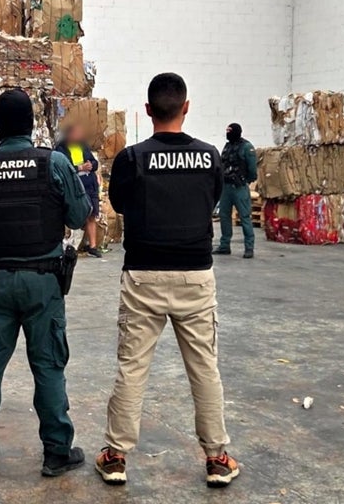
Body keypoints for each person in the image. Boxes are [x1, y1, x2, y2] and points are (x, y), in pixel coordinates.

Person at [96, 73, 240, 488]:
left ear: (147, 111)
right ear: (186, 107)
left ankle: (116, 455)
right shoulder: (209, 155)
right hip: (196, 276)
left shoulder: (131, 159)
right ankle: (217, 458)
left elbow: (120, 205)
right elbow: (209, 200)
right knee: (204, 368)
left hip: (143, 276)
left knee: (132, 368)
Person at [0, 89, 93, 477]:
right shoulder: (53, 162)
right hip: (43, 280)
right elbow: (77, 215)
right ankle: (56, 451)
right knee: (48, 366)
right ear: (33, 123)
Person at [56, 124, 103, 258]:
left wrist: (90, 165)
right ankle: (71, 245)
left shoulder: (83, 146)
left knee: (92, 215)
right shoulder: (61, 149)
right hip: (75, 187)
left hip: (89, 185)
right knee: (75, 215)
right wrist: (79, 168)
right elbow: (64, 168)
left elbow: (95, 163)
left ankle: (93, 246)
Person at [213, 123, 258, 259]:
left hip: (239, 187)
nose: (227, 133)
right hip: (226, 187)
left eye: (229, 131)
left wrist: (245, 181)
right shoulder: (227, 146)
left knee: (245, 217)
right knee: (225, 217)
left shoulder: (247, 147)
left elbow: (252, 170)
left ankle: (249, 247)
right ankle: (224, 245)